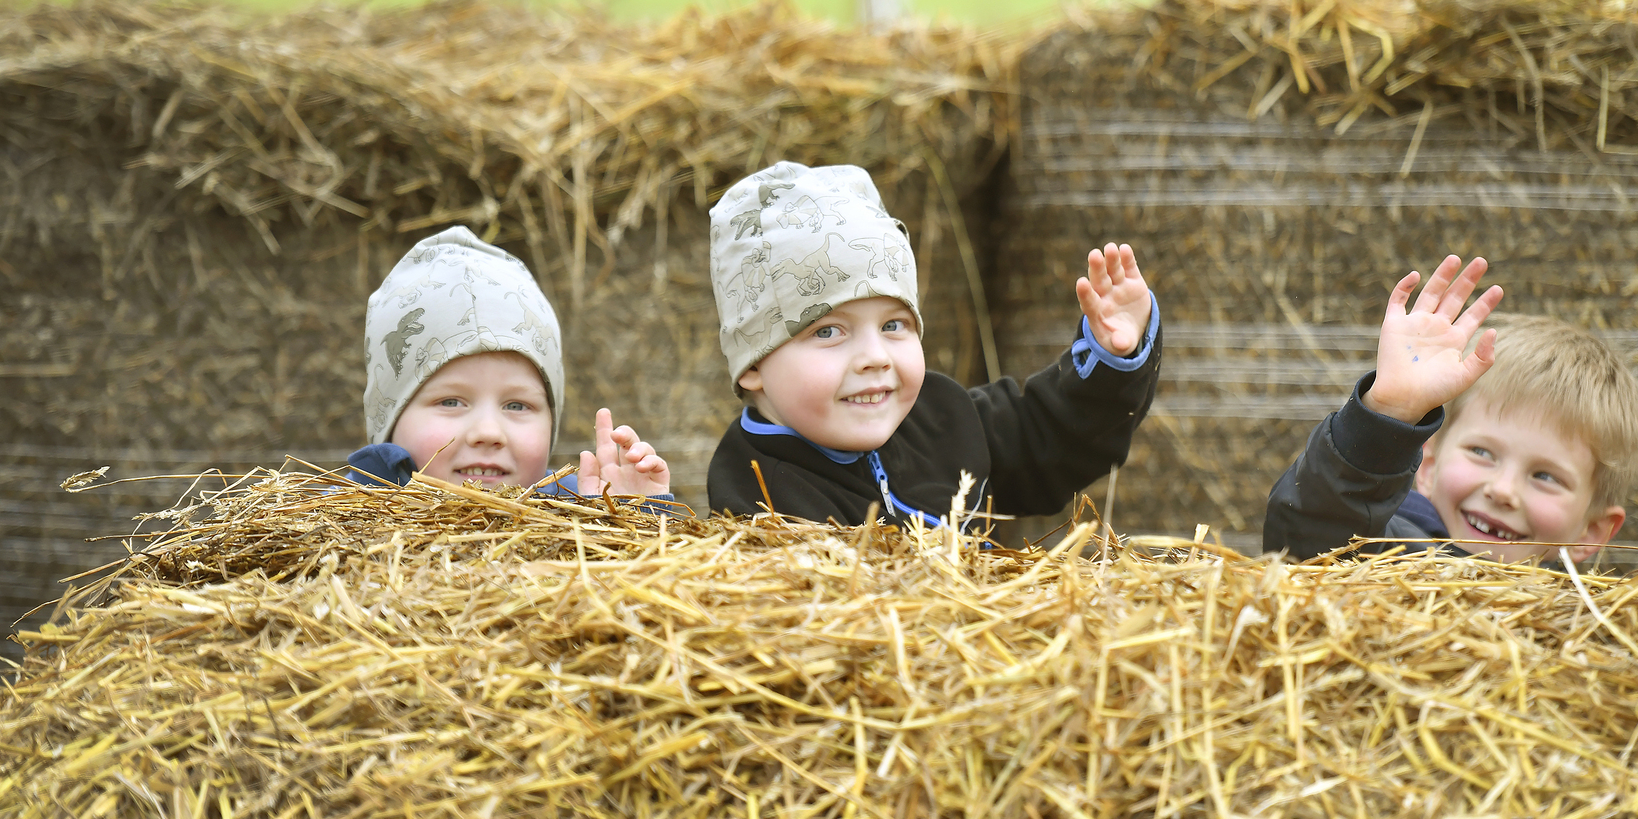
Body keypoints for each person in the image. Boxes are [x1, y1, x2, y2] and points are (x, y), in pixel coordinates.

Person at [705, 162, 1161, 527]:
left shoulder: (944, 417)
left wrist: (1111, 357)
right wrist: (644, 519)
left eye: (893, 325)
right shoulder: (755, 493)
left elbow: (1052, 437)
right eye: (828, 332)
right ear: (753, 364)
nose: (875, 357)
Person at [1262, 255, 1638, 565]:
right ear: (1429, 465)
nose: (1502, 491)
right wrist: (1387, 416)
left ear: (1591, 532)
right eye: (1482, 453)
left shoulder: (1582, 626)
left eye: (1545, 476)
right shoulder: (1381, 548)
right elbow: (1308, 543)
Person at [344, 226, 673, 502]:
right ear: (389, 420)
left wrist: (629, 517)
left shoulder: (579, 509)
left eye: (517, 405)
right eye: (450, 402)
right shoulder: (338, 523)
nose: (488, 432)